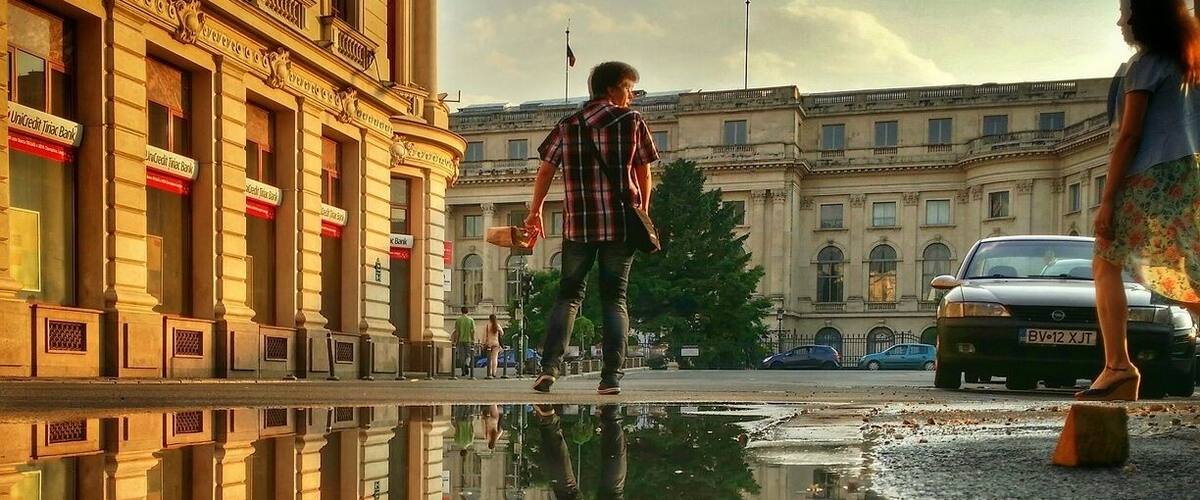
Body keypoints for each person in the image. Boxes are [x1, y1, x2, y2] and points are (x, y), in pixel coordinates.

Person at [1083, 0, 1200, 401]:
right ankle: (1118, 369)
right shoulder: (1189, 64)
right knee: (1190, 273)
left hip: (1148, 176)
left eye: (1126, 13)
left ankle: (1118, 367)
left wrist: (1108, 199)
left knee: (1105, 262)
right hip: (1186, 177)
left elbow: (1129, 136)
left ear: (1144, 19)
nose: (1120, 21)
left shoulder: (1146, 64)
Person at [525, 61, 659, 395]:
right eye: (628, 88)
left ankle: (549, 369)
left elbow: (545, 171)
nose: (631, 95)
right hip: (619, 224)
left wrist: (536, 210)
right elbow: (643, 172)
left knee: (568, 296)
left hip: (578, 226)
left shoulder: (568, 125)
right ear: (612, 88)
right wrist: (643, 208)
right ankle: (610, 377)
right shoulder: (632, 121)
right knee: (615, 299)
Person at [452, 306, 476, 378]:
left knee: (461, 356)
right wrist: (473, 339)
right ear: (467, 312)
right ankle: (467, 364)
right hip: (468, 340)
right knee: (468, 355)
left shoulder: (458, 320)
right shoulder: (471, 320)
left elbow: (457, 332)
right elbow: (473, 331)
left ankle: (463, 371)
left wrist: (455, 340)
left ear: (461, 311)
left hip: (460, 340)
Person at [484, 314, 504, 378]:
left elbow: (484, 335)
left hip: (489, 344)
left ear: (489, 319)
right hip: (496, 343)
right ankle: (494, 372)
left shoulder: (487, 326)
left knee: (489, 359)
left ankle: (489, 372)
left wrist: (483, 343)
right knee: (495, 358)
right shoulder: (497, 325)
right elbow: (502, 333)